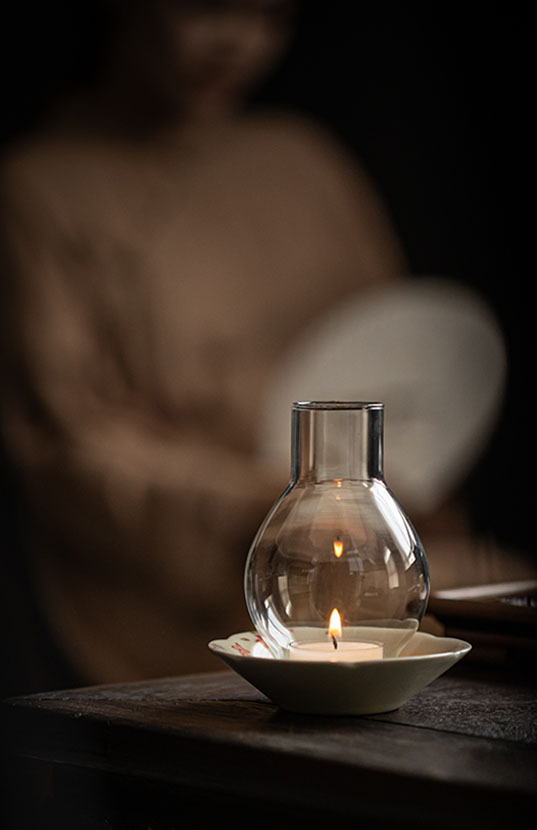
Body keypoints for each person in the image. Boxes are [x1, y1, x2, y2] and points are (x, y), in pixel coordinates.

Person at [0, 0, 408, 689]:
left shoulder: (303, 161)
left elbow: (399, 358)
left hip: (360, 559)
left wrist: (386, 503)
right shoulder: (41, 188)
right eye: (206, 8)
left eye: (269, 14)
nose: (236, 42)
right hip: (168, 603)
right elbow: (70, 440)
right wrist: (266, 511)